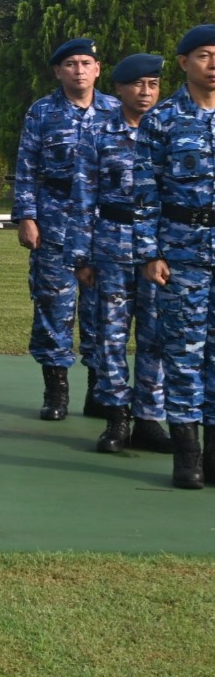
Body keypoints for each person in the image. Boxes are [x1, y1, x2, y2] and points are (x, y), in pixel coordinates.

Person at [66, 53, 171, 454]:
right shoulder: (98, 133)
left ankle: (149, 418)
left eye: (153, 85)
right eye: (138, 85)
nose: (146, 93)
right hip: (110, 245)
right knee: (109, 336)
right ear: (120, 89)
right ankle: (116, 420)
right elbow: (82, 198)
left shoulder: (167, 132)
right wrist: (81, 256)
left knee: (155, 335)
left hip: (156, 252)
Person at [13, 38, 119, 421]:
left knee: (101, 308)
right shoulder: (42, 112)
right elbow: (26, 166)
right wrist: (26, 216)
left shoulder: (116, 111)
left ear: (97, 68)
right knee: (53, 307)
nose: (78, 70)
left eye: (85, 62)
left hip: (103, 224)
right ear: (58, 71)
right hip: (55, 217)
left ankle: (98, 390)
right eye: (70, 63)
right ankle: (56, 390)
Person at [135, 26, 215, 489]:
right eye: (204, 56)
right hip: (182, 252)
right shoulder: (162, 121)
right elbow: (146, 193)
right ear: (184, 63)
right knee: (183, 353)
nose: (212, 64)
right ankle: (188, 454)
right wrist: (150, 252)